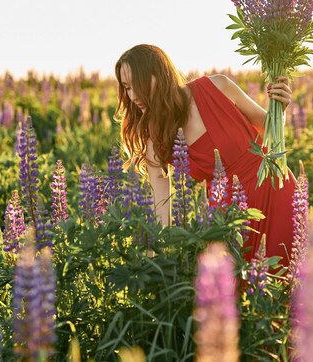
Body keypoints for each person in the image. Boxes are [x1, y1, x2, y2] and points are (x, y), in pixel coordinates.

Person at [114, 43, 297, 266]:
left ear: (159, 75)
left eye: (137, 85)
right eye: (127, 88)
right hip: (229, 221)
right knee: (236, 295)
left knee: (296, 284)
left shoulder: (216, 86)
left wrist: (281, 107)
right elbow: (160, 210)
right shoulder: (157, 141)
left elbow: (270, 128)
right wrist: (153, 264)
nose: (132, 95)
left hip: (275, 189)